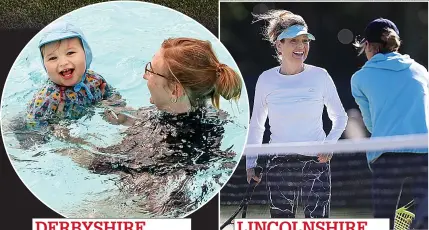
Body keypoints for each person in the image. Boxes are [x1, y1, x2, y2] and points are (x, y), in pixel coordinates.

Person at [63, 37, 244, 217]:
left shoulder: (168, 145)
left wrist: (63, 139)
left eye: (151, 70)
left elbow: (101, 163)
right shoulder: (212, 119)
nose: (145, 75)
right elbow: (160, 124)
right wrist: (126, 117)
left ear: (175, 90)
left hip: (149, 207)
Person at [245, 10, 348, 219]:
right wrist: (251, 164)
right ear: (279, 45)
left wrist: (329, 144)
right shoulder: (265, 80)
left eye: (304, 40)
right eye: (293, 40)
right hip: (279, 165)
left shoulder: (320, 76)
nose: (301, 46)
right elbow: (257, 125)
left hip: (316, 164)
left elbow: (340, 117)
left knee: (318, 224)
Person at [351, 18, 428, 229]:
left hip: (386, 156)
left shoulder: (359, 78)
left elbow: (372, 124)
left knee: (383, 223)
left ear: (366, 45)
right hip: (424, 155)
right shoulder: (421, 70)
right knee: (425, 221)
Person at [25, 21, 119, 129]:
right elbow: (33, 128)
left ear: (86, 53)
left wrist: (112, 106)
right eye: (52, 58)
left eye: (70, 53)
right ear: (44, 65)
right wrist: (53, 129)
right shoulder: (47, 97)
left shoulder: (94, 79)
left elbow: (113, 97)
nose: (63, 62)